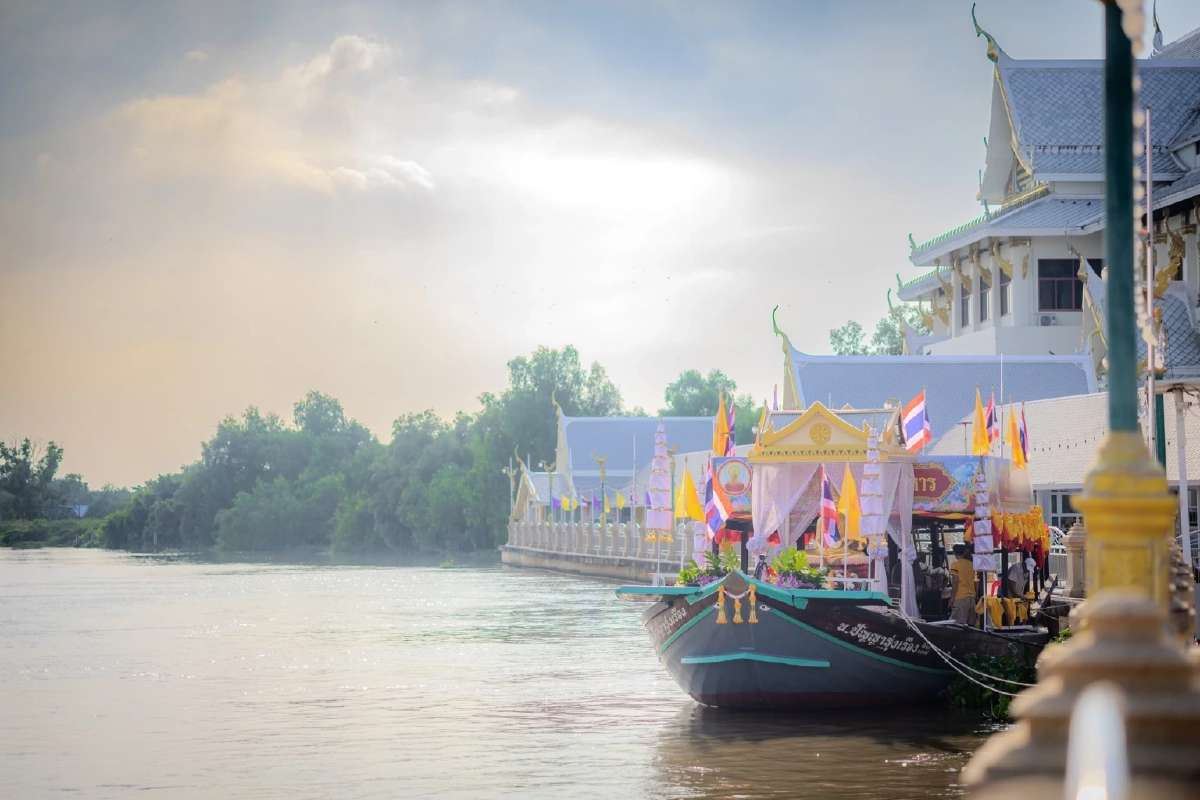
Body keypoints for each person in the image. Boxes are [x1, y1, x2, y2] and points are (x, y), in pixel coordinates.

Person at [949, 543, 977, 625]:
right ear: (964, 553)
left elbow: (955, 581)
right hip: (972, 598)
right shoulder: (972, 564)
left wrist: (952, 598)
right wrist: (976, 595)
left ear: (954, 553)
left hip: (960, 598)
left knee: (957, 626)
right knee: (970, 627)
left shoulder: (955, 565)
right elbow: (976, 582)